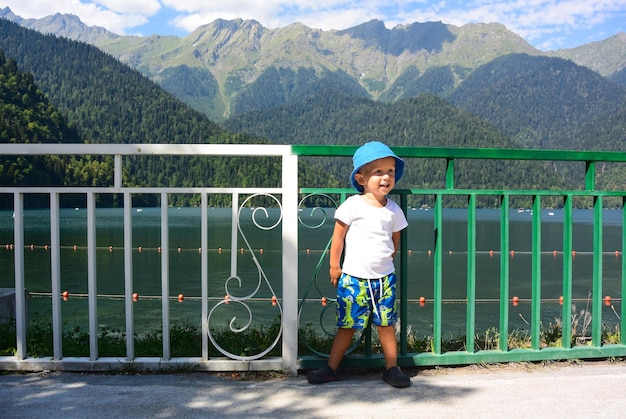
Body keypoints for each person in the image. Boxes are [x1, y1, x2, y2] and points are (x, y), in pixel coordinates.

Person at [307, 141, 411, 388]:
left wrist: (388, 257)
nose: (386, 177)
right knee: (347, 325)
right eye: (378, 172)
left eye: (391, 172)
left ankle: (392, 368)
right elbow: (338, 238)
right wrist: (334, 266)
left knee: (386, 325)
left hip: (384, 279)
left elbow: (396, 239)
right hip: (353, 278)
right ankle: (331, 367)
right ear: (361, 178)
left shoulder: (393, 210)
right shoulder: (352, 205)